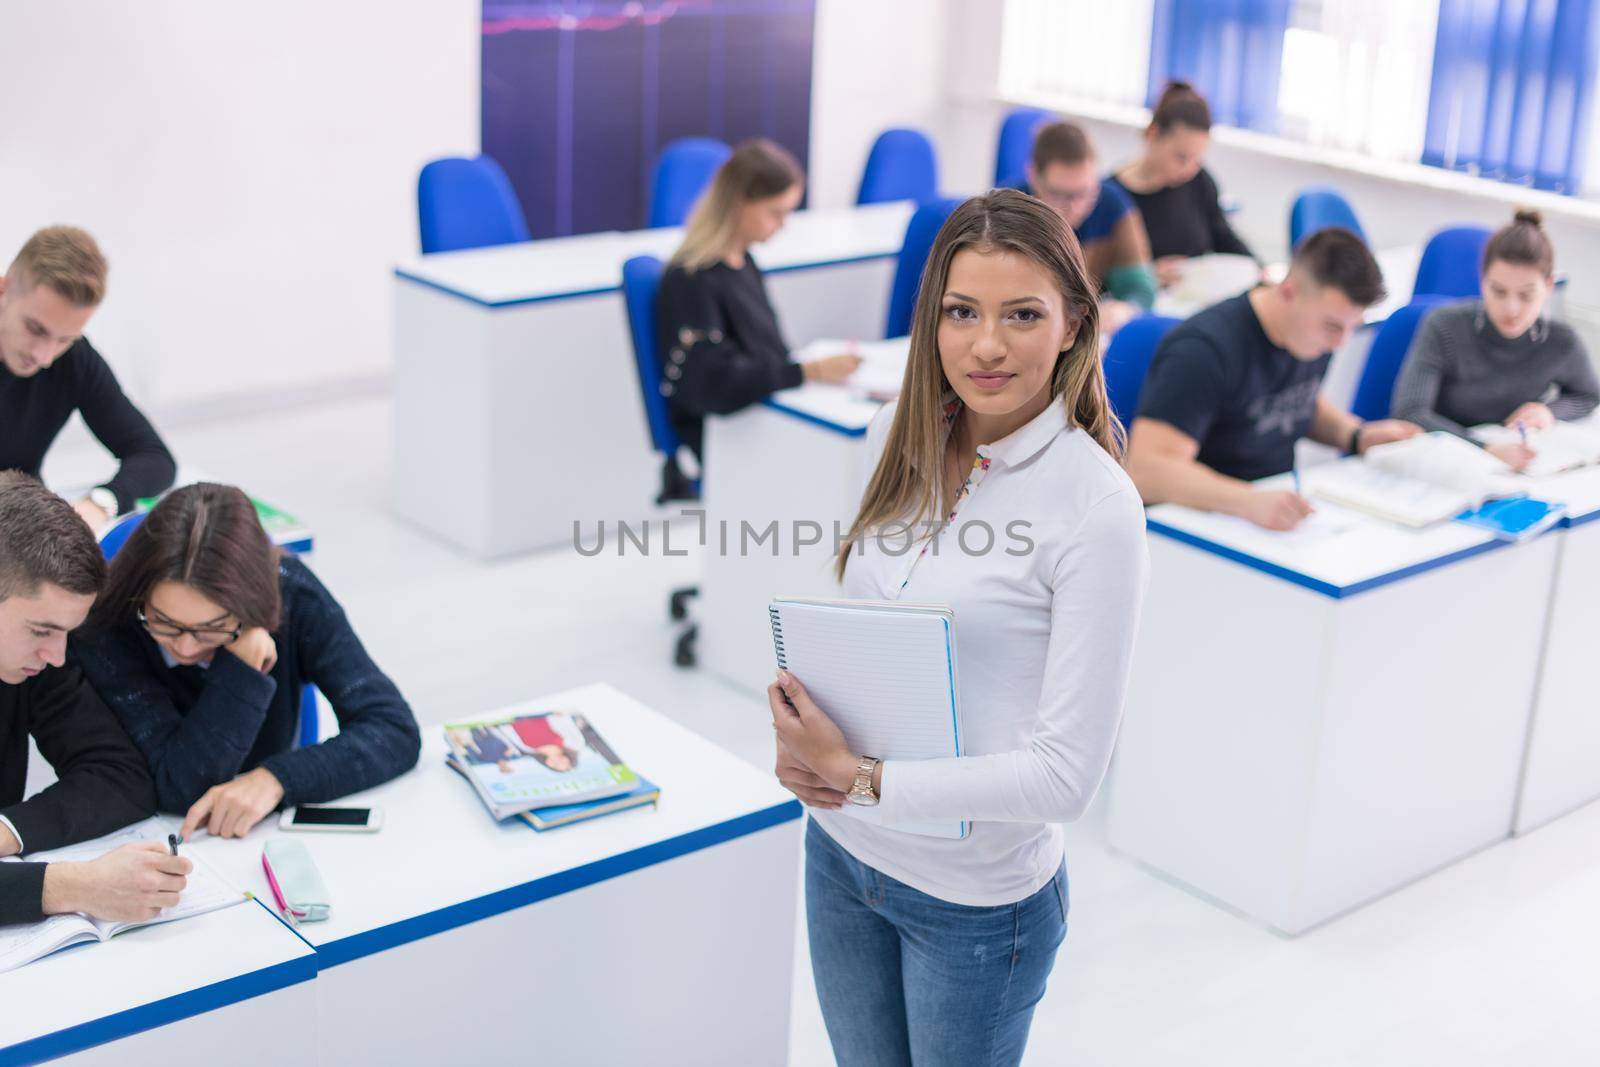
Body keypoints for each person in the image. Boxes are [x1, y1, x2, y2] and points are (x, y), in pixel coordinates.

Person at [765, 189, 1148, 1067]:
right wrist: (798, 724)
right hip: (841, 854)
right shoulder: (889, 438)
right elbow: (861, 632)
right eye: (961, 311)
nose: (986, 344)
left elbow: (1065, 779)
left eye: (1022, 315)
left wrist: (859, 777)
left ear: (1074, 324)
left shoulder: (1097, 509)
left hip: (974, 905)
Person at [71, 483, 421, 840]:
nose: (187, 647)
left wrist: (276, 779)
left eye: (211, 628)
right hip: (158, 838)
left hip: (260, 833)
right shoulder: (106, 624)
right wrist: (239, 669)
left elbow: (393, 728)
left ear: (252, 607)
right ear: (140, 594)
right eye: (164, 623)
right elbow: (179, 783)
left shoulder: (293, 596)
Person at [1126, 227, 1420, 531]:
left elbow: (1296, 399)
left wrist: (1356, 435)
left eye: (1351, 327)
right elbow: (1149, 470)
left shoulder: (1309, 335)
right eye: (1332, 326)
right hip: (1198, 521)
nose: (1340, 343)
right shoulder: (1203, 350)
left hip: (1270, 514)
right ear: (1288, 292)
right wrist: (1247, 500)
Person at [0, 471, 190, 927]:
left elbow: (119, 776)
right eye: (41, 630)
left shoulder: (35, 661)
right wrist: (70, 886)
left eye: (68, 632)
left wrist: (7, 832)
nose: (56, 654)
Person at [656, 139, 861, 473]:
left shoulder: (744, 261)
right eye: (776, 212)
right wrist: (810, 371)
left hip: (761, 413)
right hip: (731, 432)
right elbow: (713, 386)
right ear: (739, 204)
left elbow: (767, 352)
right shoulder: (692, 279)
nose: (783, 224)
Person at [1392, 209, 1600, 471]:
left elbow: (1588, 396)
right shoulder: (1444, 326)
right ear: (1482, 281)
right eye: (1498, 291)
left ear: (1548, 286)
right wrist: (1486, 449)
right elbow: (1410, 412)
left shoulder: (1560, 342)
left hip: (1509, 468)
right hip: (1443, 461)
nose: (1511, 309)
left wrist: (1548, 411)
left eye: (1526, 295)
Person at [0, 227, 176, 532]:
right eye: (36, 329)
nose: (44, 356)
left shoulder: (73, 361)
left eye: (65, 338)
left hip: (18, 531)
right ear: (3, 290)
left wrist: (101, 502)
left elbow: (153, 456)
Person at [1109, 82, 1254, 288]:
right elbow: (1098, 276)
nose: (1190, 169)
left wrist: (1258, 270)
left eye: (1197, 159)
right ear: (1152, 135)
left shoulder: (1199, 181)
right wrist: (1145, 275)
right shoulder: (1113, 197)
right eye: (1182, 157)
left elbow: (1224, 237)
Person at [1022, 120, 1157, 335]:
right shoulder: (1009, 212)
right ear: (1034, 178)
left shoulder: (1112, 203)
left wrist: (1124, 309)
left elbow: (1140, 289)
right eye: (1060, 195)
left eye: (1085, 193)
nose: (1075, 207)